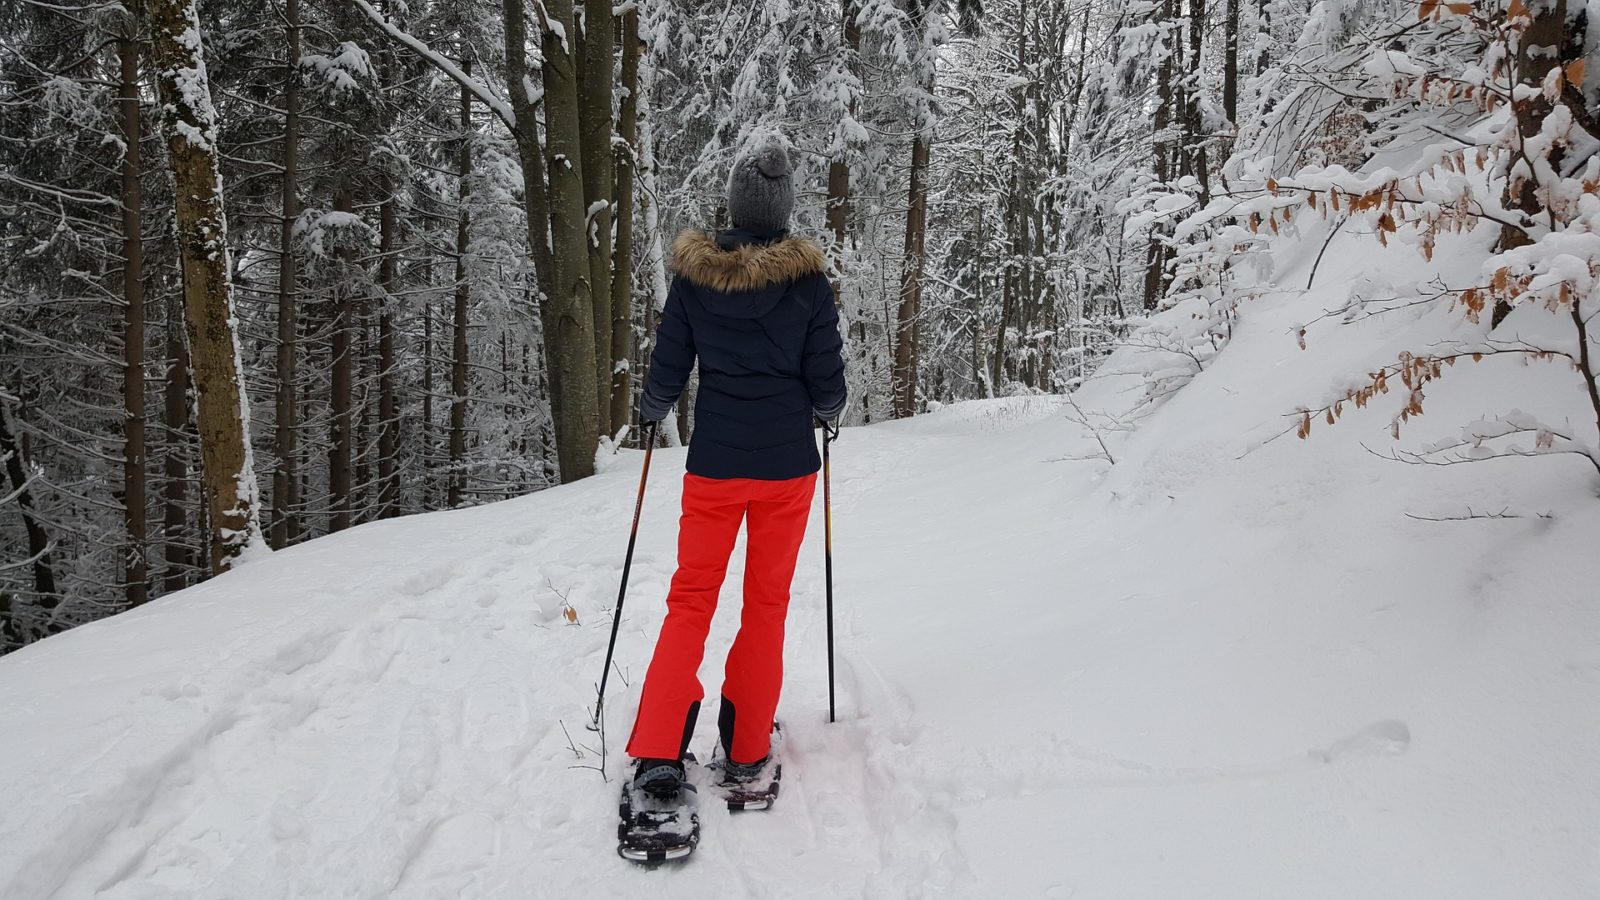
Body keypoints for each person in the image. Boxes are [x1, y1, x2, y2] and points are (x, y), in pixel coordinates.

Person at [626, 131, 847, 797]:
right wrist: (827, 410)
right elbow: (829, 384)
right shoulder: (808, 286)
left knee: (690, 599)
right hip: (785, 470)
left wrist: (651, 408)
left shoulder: (696, 281)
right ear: (781, 212)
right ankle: (748, 748)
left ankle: (661, 749)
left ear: (734, 206)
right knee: (766, 604)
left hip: (716, 465)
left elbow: (668, 368)